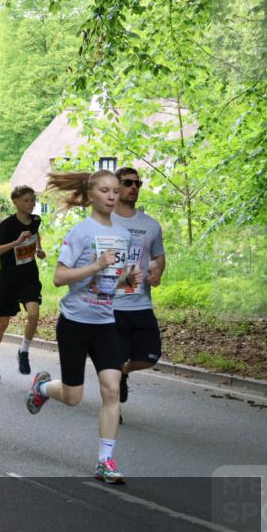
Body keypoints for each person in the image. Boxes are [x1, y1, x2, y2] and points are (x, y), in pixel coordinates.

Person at [25, 170, 141, 484]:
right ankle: (43, 388)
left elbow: (109, 281)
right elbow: (60, 278)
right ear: (91, 196)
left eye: (116, 191)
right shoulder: (80, 232)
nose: (113, 196)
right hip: (75, 322)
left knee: (111, 389)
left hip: (105, 322)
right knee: (74, 398)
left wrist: (125, 279)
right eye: (106, 191)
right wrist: (95, 265)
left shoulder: (122, 235)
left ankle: (105, 461)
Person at [112, 167, 166, 422]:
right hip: (111, 306)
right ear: (117, 186)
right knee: (115, 357)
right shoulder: (104, 221)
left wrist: (157, 272)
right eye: (128, 182)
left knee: (150, 356)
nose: (134, 187)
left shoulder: (150, 225)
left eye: (138, 183)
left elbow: (158, 257)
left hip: (141, 303)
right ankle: (114, 408)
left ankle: (123, 371)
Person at [0, 185, 46, 382]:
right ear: (15, 202)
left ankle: (24, 351)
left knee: (34, 314)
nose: (31, 203)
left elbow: (35, 235)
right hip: (9, 279)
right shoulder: (6, 226)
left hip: (29, 276)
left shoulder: (36, 220)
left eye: (33, 200)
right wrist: (16, 243)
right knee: (3, 322)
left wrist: (39, 249)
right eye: (27, 200)